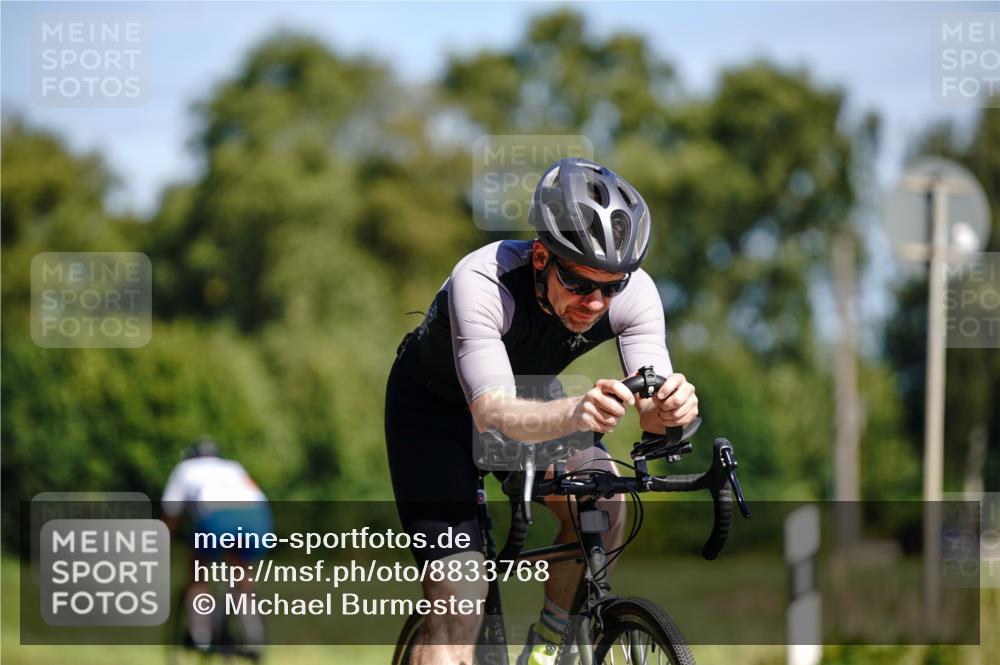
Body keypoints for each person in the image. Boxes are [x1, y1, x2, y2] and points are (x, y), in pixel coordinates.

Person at [385, 158, 699, 665]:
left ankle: (548, 650)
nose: (597, 301)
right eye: (578, 283)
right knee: (459, 604)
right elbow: (492, 415)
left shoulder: (634, 293)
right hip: (435, 414)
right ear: (539, 257)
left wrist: (673, 409)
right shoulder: (483, 280)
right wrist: (576, 413)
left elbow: (653, 415)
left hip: (533, 398)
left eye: (612, 285)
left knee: (603, 507)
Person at [161, 436, 272, 656]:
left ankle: (200, 633)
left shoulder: (185, 469)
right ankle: (253, 633)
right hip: (258, 516)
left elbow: (171, 515)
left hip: (217, 517)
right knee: (241, 570)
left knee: (197, 569)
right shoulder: (233, 467)